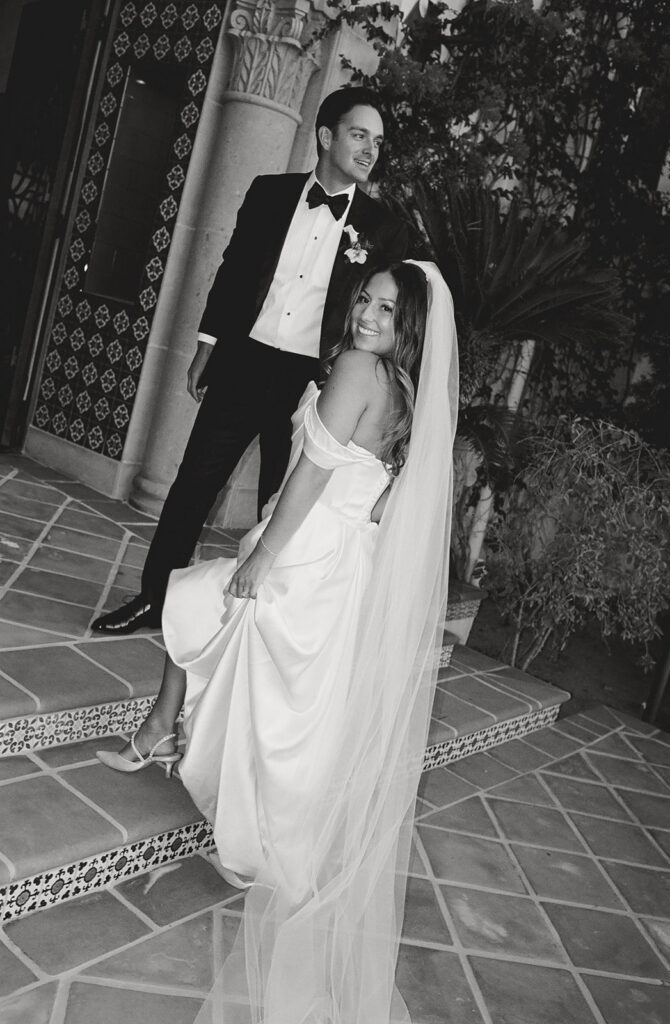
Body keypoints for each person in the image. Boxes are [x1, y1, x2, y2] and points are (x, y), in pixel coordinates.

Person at [98, 259, 459, 1024]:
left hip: (302, 549)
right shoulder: (407, 394)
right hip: (344, 564)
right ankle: (170, 741)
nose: (366, 315)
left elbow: (310, 474)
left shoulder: (359, 368)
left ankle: (175, 750)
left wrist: (264, 553)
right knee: (285, 702)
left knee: (199, 604)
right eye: (365, 299)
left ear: (411, 327)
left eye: (387, 310)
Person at [91, 86, 409, 635]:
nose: (369, 150)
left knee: (280, 501)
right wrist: (207, 345)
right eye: (359, 135)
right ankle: (154, 598)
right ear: (326, 136)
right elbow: (234, 271)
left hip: (314, 382)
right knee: (193, 484)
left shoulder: (382, 228)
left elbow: (387, 310)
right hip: (245, 363)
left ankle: (258, 623)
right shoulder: (269, 193)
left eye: (377, 142)